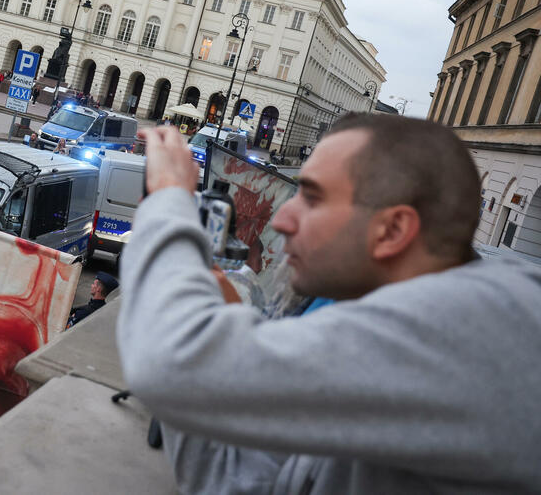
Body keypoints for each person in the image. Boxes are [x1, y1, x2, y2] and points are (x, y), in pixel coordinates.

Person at [116, 114, 541, 493]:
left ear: (392, 230)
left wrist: (168, 200)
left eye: (313, 198)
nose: (282, 219)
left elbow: (170, 363)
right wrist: (211, 332)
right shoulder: (398, 340)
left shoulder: (467, 331)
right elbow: (240, 481)